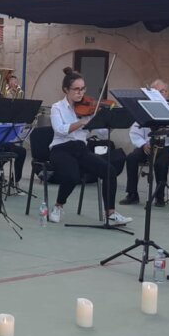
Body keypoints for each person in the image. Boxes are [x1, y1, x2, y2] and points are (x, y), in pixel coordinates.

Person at [46, 68, 132, 226]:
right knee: (72, 176)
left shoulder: (89, 109)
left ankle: (111, 214)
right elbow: (60, 130)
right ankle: (58, 206)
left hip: (81, 149)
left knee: (109, 171)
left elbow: (102, 133)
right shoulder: (57, 107)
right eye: (76, 89)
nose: (81, 93)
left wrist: (110, 121)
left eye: (83, 89)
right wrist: (81, 122)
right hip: (61, 149)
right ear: (66, 90)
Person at [120, 79, 169, 207]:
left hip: (167, 146)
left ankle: (160, 197)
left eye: (163, 91)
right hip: (148, 146)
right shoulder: (144, 110)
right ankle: (132, 194)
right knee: (131, 158)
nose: (161, 94)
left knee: (161, 163)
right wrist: (143, 144)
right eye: (157, 92)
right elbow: (134, 132)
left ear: (167, 93)